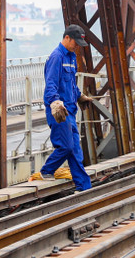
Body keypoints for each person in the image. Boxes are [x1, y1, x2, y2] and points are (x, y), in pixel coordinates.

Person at [31, 25, 93, 191]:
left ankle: (84, 188)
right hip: (59, 111)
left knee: (76, 152)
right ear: (67, 38)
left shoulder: (72, 57)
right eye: (76, 42)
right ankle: (47, 170)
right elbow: (51, 83)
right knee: (66, 146)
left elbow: (71, 83)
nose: (77, 46)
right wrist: (54, 102)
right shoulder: (56, 57)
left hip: (71, 110)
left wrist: (79, 96)